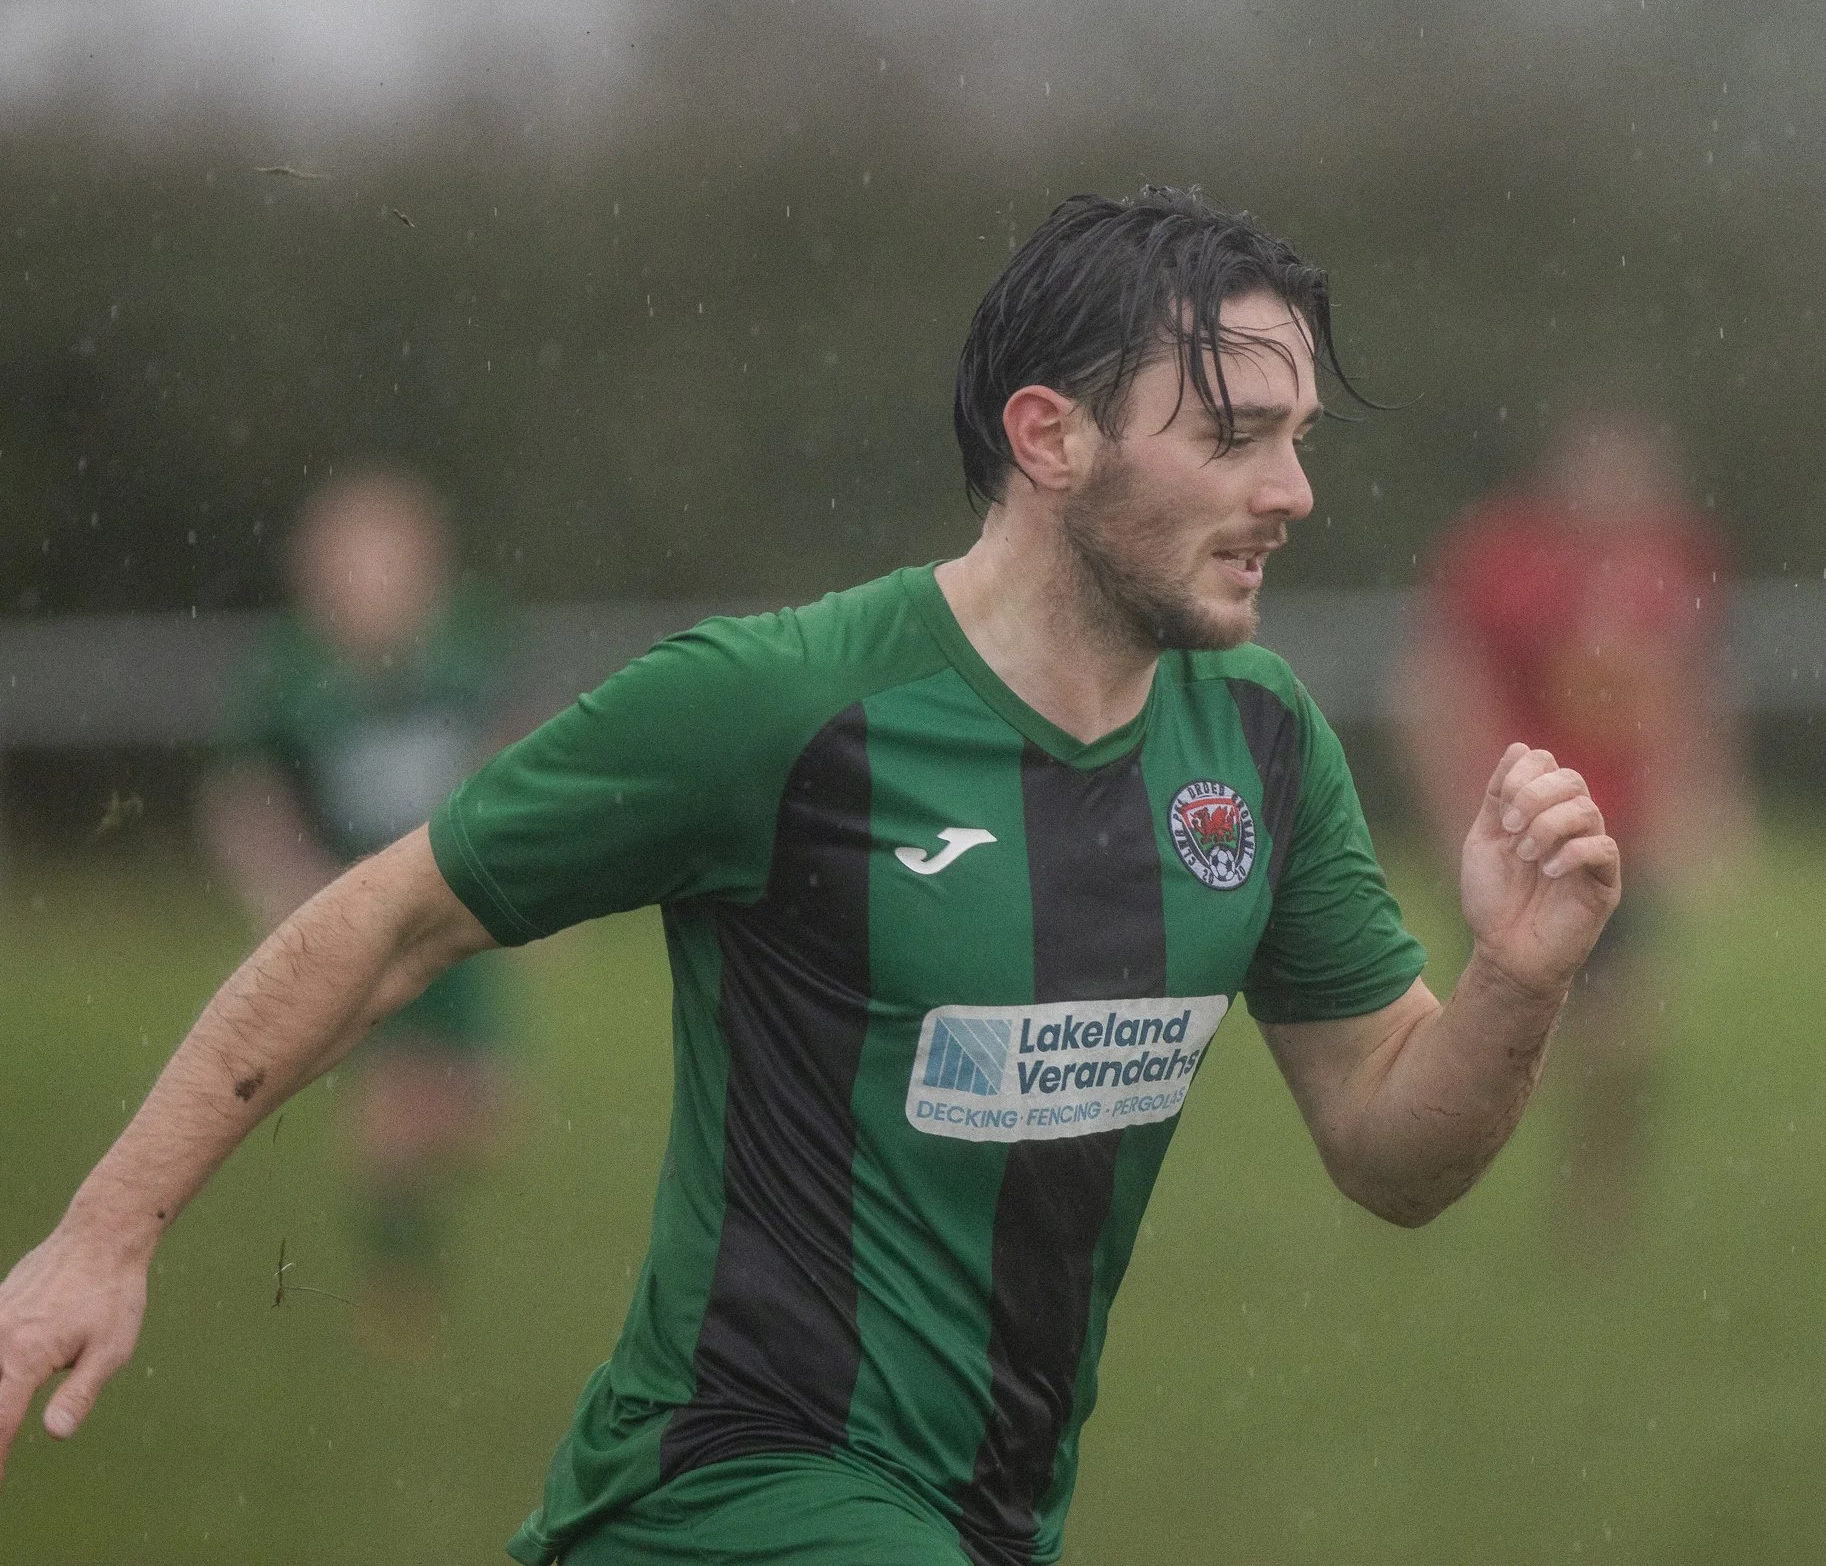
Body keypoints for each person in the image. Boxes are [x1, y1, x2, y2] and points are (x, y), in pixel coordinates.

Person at [0, 188, 1620, 1566]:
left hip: (988, 1512)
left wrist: (1518, 977)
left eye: (1300, 440)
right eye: (1236, 437)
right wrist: (104, 1231)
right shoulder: (775, 704)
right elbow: (393, 917)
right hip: (729, 1487)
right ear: (1047, 440)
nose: (1295, 493)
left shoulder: (1257, 742)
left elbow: (1394, 1148)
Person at [1396, 409, 1750, 1234]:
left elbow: (1692, 688)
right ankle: (1427, 1173)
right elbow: (1441, 684)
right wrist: (1459, 807)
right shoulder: (1503, 558)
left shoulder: (1674, 558)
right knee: (1512, 1033)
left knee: (1628, 1037)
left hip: (1617, 840)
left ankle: (1593, 1195)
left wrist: (1708, 801)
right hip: (1526, 832)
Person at [196, 468, 511, 1340]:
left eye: (391, 560)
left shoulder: (465, 651)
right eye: (353, 563)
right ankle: (398, 1281)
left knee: (483, 1117)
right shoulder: (292, 675)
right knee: (389, 1097)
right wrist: (276, 876)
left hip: (460, 910)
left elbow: (515, 746)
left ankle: (409, 1198)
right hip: (359, 917)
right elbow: (245, 792)